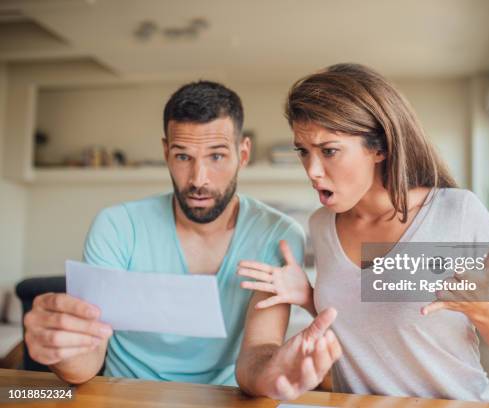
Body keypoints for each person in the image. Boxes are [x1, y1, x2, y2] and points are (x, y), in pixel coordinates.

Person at [236, 63, 489, 401]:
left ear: (380, 148)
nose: (313, 171)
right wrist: (308, 295)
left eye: (329, 151)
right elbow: (366, 330)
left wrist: (483, 308)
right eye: (303, 151)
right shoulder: (322, 225)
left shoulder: (458, 212)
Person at [22, 80, 336, 386]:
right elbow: (85, 364)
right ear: (166, 152)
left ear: (243, 154)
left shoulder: (277, 235)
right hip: (126, 394)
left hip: (223, 399)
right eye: (183, 156)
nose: (199, 179)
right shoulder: (116, 227)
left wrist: (275, 372)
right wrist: (60, 350)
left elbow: (260, 348)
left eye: (216, 156)